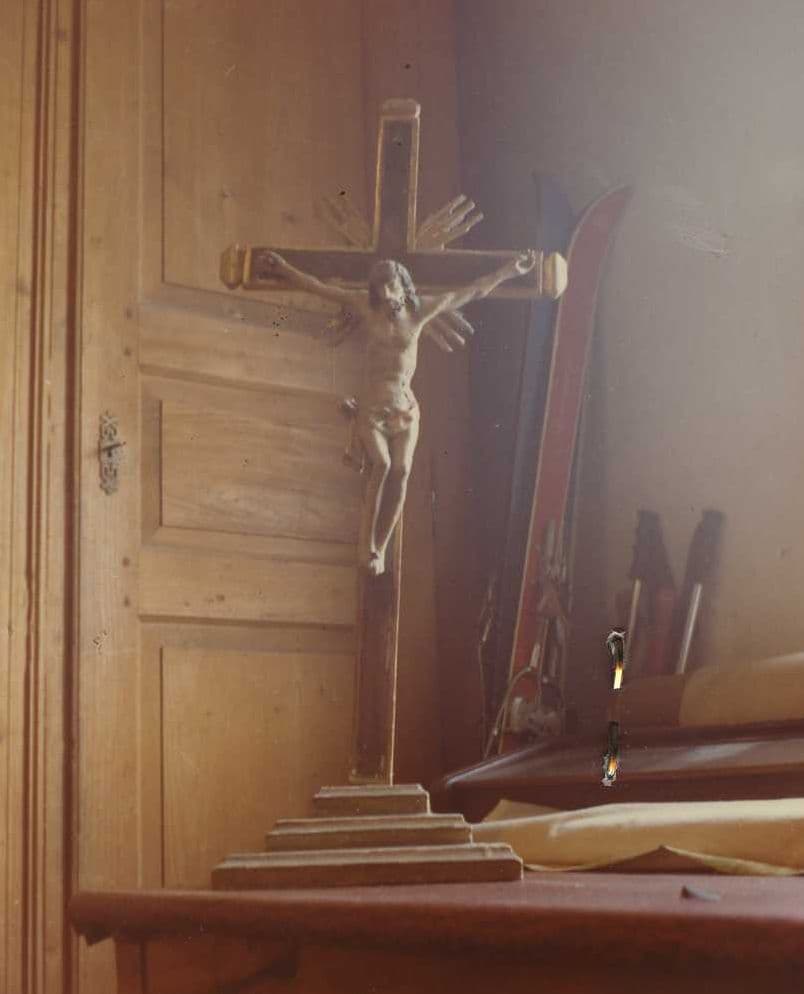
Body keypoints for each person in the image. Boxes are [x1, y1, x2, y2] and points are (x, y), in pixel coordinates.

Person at [263, 249, 537, 575]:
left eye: (391, 285)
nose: (386, 293)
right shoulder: (366, 307)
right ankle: (366, 545)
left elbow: (471, 291)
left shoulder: (420, 312)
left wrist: (509, 271)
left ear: (404, 285)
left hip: (405, 410)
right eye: (380, 288)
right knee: (381, 465)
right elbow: (321, 288)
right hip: (372, 410)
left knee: (402, 470)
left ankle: (380, 547)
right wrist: (285, 270)